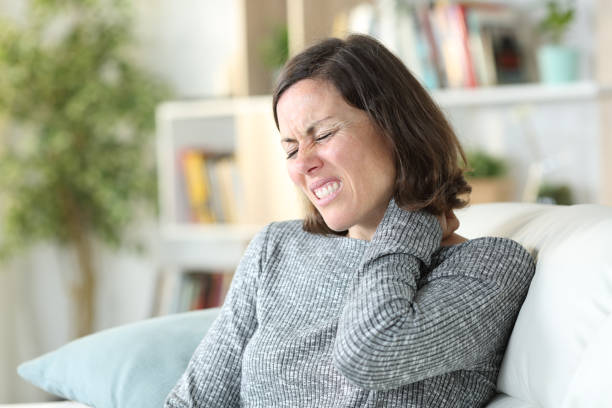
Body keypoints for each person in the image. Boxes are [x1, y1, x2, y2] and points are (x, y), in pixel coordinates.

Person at [165, 34, 535, 407]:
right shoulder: (275, 248)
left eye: (322, 135)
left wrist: (409, 223)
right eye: (290, 148)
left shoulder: (489, 268)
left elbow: (369, 353)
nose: (303, 163)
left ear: (396, 129)